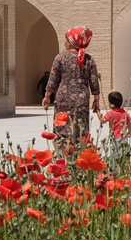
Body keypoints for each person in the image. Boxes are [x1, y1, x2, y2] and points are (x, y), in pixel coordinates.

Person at [42, 26, 101, 157]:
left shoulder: (60, 58)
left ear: (73, 42)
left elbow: (53, 79)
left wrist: (47, 96)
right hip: (82, 101)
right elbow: (94, 82)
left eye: (67, 40)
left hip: (63, 99)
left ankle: (63, 158)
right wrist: (96, 101)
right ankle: (80, 158)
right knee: (80, 130)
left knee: (61, 129)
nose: (65, 43)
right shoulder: (89, 60)